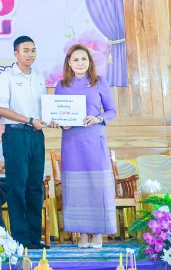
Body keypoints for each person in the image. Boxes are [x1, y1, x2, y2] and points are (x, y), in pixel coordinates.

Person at [53, 44, 117, 249]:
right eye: (75, 60)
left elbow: (112, 111)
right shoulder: (61, 85)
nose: (80, 63)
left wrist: (98, 118)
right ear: (69, 63)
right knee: (75, 189)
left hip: (94, 141)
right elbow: (57, 114)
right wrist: (60, 122)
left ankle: (98, 233)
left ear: (90, 61)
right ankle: (81, 233)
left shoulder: (99, 82)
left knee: (97, 186)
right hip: (71, 143)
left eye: (83, 59)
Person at [0, 35, 49, 249]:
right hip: (15, 135)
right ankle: (20, 239)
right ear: (16, 53)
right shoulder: (6, 76)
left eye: (33, 50)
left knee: (35, 187)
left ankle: (34, 238)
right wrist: (29, 120)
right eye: (25, 50)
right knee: (17, 187)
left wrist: (52, 119)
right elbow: (0, 108)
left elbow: (45, 108)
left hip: (36, 136)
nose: (30, 54)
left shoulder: (39, 78)